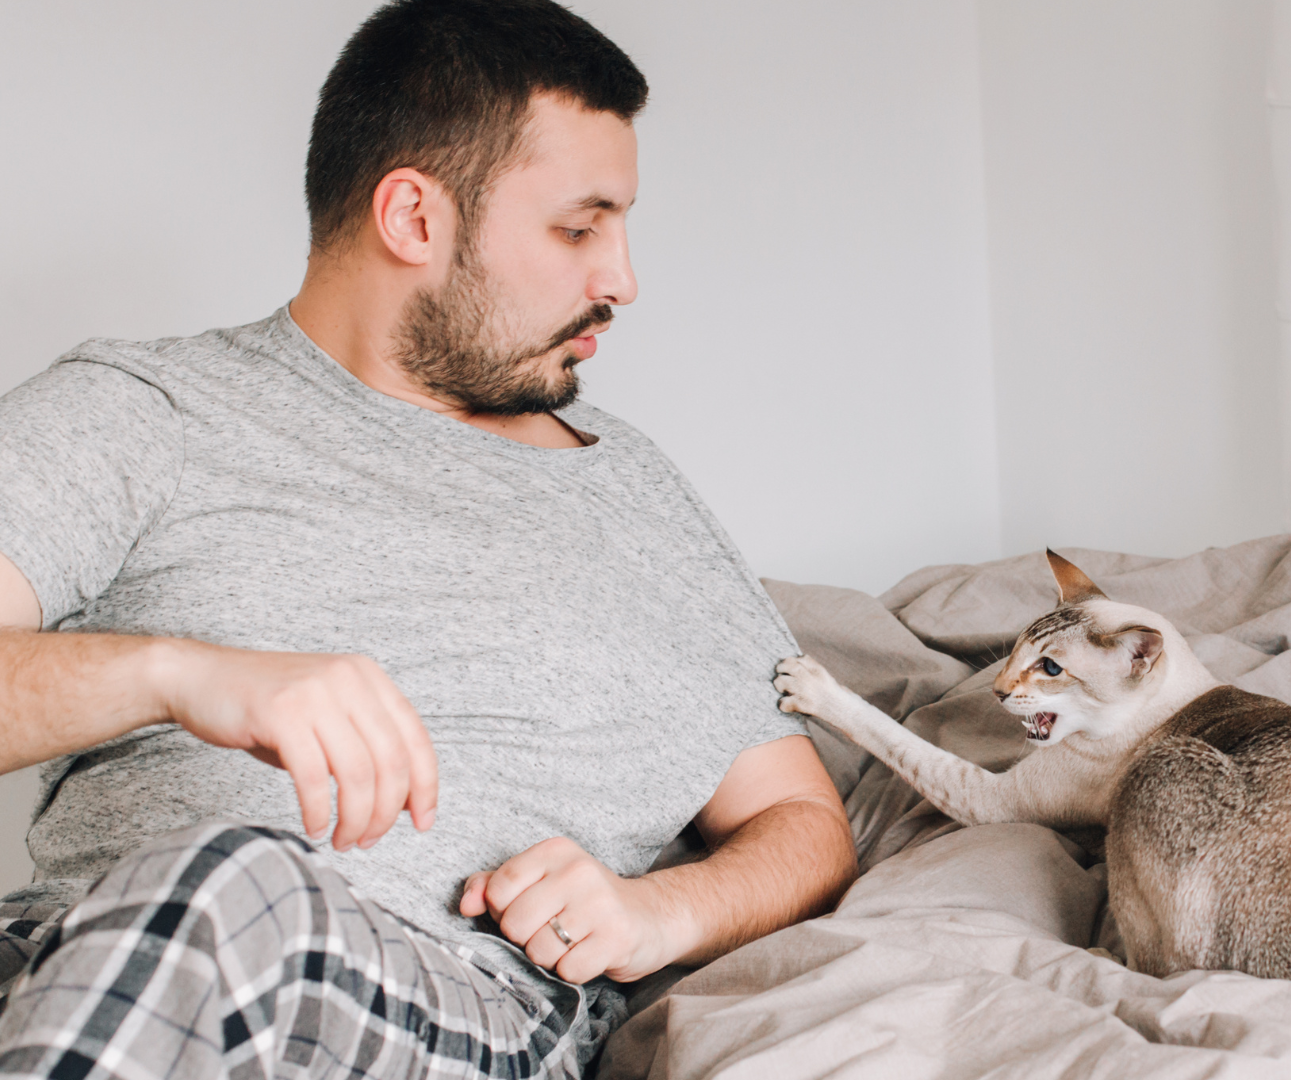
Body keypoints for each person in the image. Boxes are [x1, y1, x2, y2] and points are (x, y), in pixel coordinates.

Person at [0, 1, 856, 1076]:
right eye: (579, 228)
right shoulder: (144, 412)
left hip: (446, 996)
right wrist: (175, 674)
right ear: (413, 217)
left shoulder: (629, 488)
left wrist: (657, 914)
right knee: (208, 898)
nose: (621, 280)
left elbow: (801, 817)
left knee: (228, 892)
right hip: (61, 960)